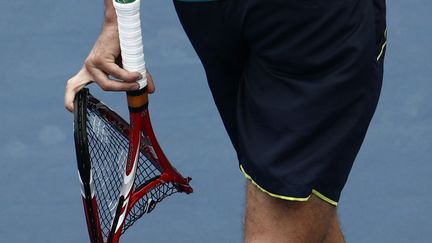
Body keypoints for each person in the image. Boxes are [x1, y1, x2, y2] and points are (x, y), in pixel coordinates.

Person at [65, 0, 387, 242]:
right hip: (228, 14)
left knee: (289, 200)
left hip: (295, 21)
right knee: (297, 198)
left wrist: (118, 15)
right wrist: (118, 18)